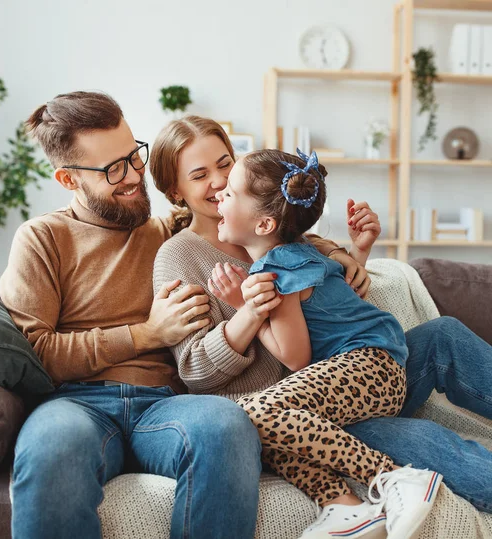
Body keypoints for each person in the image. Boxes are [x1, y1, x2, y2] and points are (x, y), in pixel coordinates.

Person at [150, 114, 492, 526]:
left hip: (347, 372)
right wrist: (248, 312)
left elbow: (334, 303)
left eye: (225, 164)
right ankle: (383, 489)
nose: (220, 181)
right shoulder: (179, 255)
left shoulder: (282, 232)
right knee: (412, 438)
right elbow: (194, 371)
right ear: (175, 190)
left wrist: (357, 254)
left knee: (442, 335)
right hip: (298, 403)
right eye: (201, 174)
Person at [0, 91, 267, 539]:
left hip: (166, 404)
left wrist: (343, 254)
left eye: (133, 157)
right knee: (51, 447)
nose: (133, 177)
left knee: (225, 426)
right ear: (68, 179)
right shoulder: (42, 239)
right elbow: (34, 354)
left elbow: (263, 225)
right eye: (112, 169)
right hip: (76, 405)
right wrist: (145, 334)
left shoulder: (170, 233)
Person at [214, 146, 444, 539]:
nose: (219, 193)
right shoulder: (301, 252)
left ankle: (393, 478)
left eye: (230, 192)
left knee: (251, 414)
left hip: (371, 366)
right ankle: (344, 506)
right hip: (372, 368)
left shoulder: (279, 267)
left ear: (266, 224)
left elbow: (296, 356)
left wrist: (241, 306)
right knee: (264, 431)